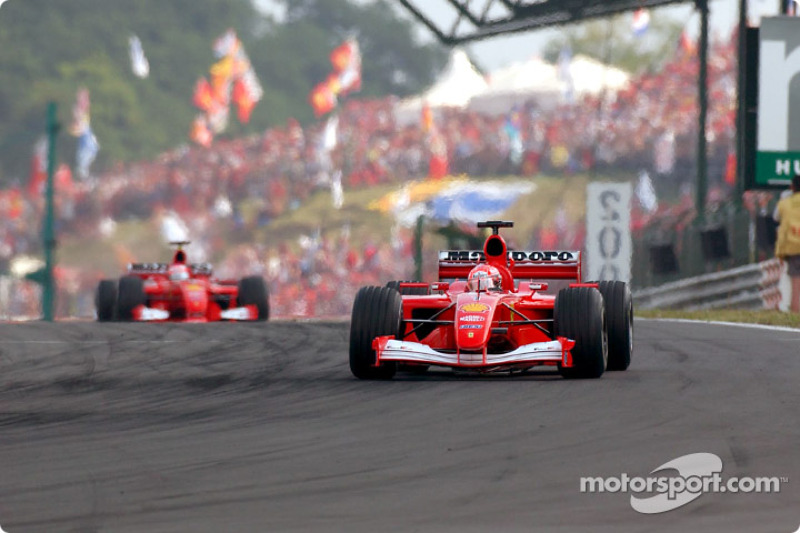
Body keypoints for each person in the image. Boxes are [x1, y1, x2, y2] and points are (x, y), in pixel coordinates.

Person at [774, 173, 800, 312]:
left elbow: (776, 217)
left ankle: (796, 317)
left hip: (793, 247)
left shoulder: (785, 204)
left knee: (795, 284)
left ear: (792, 187)